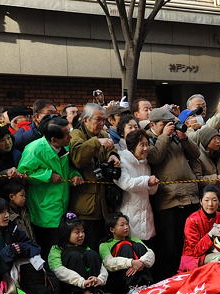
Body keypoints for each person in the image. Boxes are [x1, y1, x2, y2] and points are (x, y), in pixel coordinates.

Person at [17, 116, 85, 256]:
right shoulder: (34, 149)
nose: (70, 137)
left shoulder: (64, 147)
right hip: (43, 208)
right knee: (49, 249)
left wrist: (74, 175)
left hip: (61, 205)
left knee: (61, 249)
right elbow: (23, 173)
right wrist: (48, 175)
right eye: (66, 135)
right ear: (53, 139)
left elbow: (68, 169)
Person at [146, 107, 201, 280]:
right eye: (164, 123)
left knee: (185, 242)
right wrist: (165, 136)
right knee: (168, 244)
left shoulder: (177, 138)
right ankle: (167, 278)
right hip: (168, 199)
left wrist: (184, 139)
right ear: (153, 124)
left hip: (188, 195)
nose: (169, 126)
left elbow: (196, 154)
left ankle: (185, 275)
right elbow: (154, 158)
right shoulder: (149, 138)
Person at [69, 103, 121, 251]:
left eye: (103, 120)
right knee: (88, 246)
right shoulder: (76, 134)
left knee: (104, 247)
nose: (101, 124)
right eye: (98, 119)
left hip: (105, 202)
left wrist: (113, 156)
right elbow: (78, 159)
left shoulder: (104, 134)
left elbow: (113, 149)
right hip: (86, 204)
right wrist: (96, 143)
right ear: (85, 120)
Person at [48, 213, 109, 294]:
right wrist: (81, 282)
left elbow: (100, 266)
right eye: (77, 232)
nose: (81, 235)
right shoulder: (56, 249)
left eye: (82, 231)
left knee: (92, 254)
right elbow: (58, 271)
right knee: (74, 255)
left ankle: (95, 292)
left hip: (90, 284)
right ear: (66, 233)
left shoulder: (86, 247)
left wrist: (100, 279)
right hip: (72, 288)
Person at [115, 129, 158, 242]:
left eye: (147, 145)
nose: (146, 148)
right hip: (129, 214)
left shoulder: (146, 165)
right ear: (133, 147)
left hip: (146, 215)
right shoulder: (122, 161)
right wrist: (147, 181)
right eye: (142, 145)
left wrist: (153, 184)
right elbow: (126, 183)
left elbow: (151, 192)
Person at [99, 213, 155, 294]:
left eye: (127, 224)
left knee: (138, 246)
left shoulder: (135, 239)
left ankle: (146, 284)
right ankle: (132, 286)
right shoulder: (105, 245)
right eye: (122, 225)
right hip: (120, 281)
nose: (126, 227)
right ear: (112, 229)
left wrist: (141, 262)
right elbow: (109, 263)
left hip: (140, 273)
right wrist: (131, 263)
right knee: (125, 245)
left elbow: (150, 253)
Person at [180, 186, 220, 271]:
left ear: (219, 202)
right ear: (201, 202)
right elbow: (195, 251)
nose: (210, 204)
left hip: (217, 251)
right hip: (196, 258)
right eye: (206, 200)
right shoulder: (192, 220)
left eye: (214, 200)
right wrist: (210, 235)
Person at [195, 127, 220, 197]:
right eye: (214, 139)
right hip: (207, 196)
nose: (218, 141)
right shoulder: (197, 156)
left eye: (219, 138)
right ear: (206, 141)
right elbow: (197, 179)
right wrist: (215, 178)